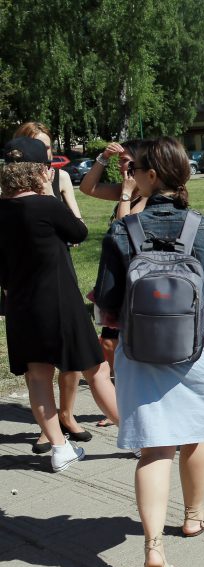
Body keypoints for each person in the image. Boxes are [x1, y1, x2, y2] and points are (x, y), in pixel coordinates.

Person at [93, 137, 204, 567]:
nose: (130, 176)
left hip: (140, 352)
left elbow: (108, 304)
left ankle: (153, 546)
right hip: (199, 349)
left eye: (135, 168)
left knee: (154, 447)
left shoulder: (122, 230)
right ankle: (195, 515)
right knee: (197, 434)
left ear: (152, 175)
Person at [0, 137, 121, 471]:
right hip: (58, 302)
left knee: (37, 377)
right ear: (41, 170)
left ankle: (58, 447)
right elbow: (79, 233)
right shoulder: (46, 205)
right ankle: (136, 438)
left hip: (20, 305)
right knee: (97, 370)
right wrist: (49, 194)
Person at [13, 122, 91, 445]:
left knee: (70, 353)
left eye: (48, 147)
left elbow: (78, 224)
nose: (46, 153)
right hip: (23, 276)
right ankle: (48, 429)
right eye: (39, 147)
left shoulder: (60, 178)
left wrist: (50, 197)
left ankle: (67, 413)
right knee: (38, 359)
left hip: (59, 271)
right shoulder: (10, 185)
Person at [80, 139, 153, 418]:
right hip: (118, 280)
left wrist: (125, 194)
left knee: (118, 344)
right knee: (111, 344)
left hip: (136, 285)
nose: (121, 166)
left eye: (125, 161)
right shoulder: (131, 190)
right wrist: (102, 159)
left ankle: (131, 404)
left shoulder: (146, 195)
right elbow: (87, 188)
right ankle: (125, 402)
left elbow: (124, 231)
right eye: (121, 160)